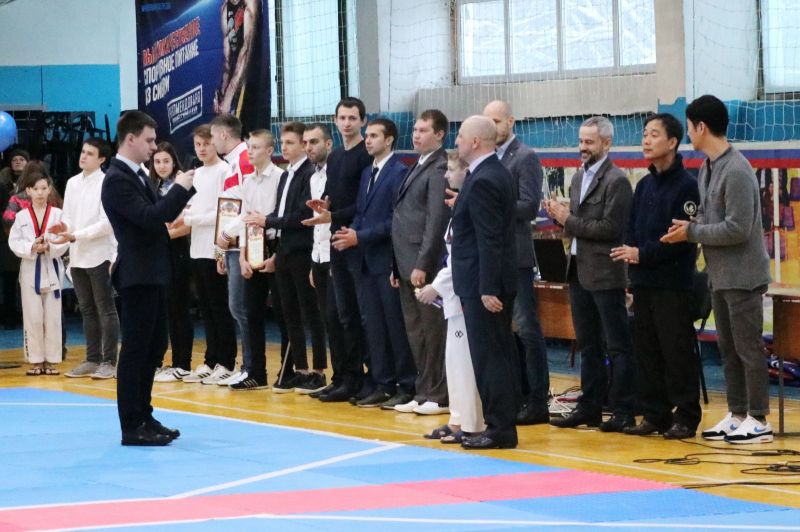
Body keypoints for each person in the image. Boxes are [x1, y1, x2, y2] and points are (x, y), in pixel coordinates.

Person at [662, 94, 773, 444]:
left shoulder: (737, 169)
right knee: (728, 348)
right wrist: (690, 225)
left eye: (689, 127)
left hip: (743, 276)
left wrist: (692, 232)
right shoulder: (708, 167)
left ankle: (759, 418)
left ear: (701, 127)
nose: (688, 134)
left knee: (748, 349)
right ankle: (737, 413)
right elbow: (710, 217)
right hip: (719, 275)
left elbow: (738, 228)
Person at [101, 110, 195, 446]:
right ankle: (132, 424)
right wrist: (180, 190)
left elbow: (156, 218)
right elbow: (151, 218)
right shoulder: (117, 179)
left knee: (154, 347)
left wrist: (177, 196)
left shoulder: (137, 175)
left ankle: (144, 414)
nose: (154, 147)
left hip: (151, 271)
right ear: (130, 139)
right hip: (138, 274)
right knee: (136, 350)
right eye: (149, 140)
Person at [611, 113, 701, 440]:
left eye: (654, 134)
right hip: (644, 282)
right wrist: (632, 265)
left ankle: (686, 416)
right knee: (646, 351)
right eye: (644, 134)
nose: (646, 140)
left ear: (673, 142)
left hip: (673, 284)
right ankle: (655, 414)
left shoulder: (687, 185)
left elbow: (679, 240)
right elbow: (631, 230)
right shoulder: (645, 184)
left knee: (676, 352)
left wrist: (642, 254)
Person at [546, 116, 635, 433]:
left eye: (589, 142)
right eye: (581, 141)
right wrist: (558, 216)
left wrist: (567, 219)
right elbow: (578, 224)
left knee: (616, 345)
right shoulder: (578, 177)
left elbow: (610, 229)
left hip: (606, 273)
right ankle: (590, 407)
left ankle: (623, 409)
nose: (582, 147)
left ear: (607, 143)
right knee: (587, 344)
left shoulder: (617, 181)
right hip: (578, 270)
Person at [332, 118, 416, 408]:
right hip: (365, 260)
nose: (368, 140)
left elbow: (395, 220)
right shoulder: (368, 172)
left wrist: (361, 236)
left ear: (389, 139)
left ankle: (406, 383)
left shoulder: (399, 172)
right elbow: (361, 212)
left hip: (386, 260)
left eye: (374, 136)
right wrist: (350, 233)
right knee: (374, 326)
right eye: (367, 136)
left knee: (394, 326)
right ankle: (382, 382)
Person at [451, 115, 518, 450]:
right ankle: (499, 423)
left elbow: (489, 238)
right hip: (483, 280)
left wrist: (487, 287)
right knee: (494, 354)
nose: (457, 141)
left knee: (490, 356)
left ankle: (500, 428)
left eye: (461, 136)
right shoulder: (489, 173)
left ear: (475, 141)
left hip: (484, 284)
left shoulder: (485, 179)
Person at [245, 121, 327, 393]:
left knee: (310, 312)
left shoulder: (308, 174)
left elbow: (302, 216)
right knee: (289, 312)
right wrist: (274, 244)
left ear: (303, 145)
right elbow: (281, 215)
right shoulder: (287, 174)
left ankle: (318, 370)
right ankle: (299, 369)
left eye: (291, 142)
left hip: (303, 251)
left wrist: (268, 221)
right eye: (284, 142)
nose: (285, 147)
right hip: (285, 250)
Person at [483, 99, 550, 425]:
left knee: (526, 328)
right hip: (490, 255)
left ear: (510, 121)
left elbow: (528, 205)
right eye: (487, 121)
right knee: (501, 330)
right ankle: (514, 393)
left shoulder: (524, 157)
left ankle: (537, 399)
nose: (492, 126)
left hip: (516, 255)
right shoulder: (485, 157)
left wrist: (488, 205)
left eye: (497, 121)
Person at [303, 97, 372, 403]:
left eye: (352, 118)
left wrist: (334, 215)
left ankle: (359, 378)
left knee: (356, 316)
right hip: (335, 243)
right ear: (335, 120)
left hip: (355, 242)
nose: (347, 123)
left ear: (362, 121)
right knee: (338, 316)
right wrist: (325, 205)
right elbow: (334, 194)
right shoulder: (336, 157)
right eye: (342, 118)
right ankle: (342, 376)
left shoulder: (365, 155)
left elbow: (363, 203)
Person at [417, 150, 485, 444]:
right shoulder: (457, 208)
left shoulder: (468, 208)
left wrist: (436, 286)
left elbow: (461, 258)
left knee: (465, 364)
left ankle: (471, 423)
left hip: (464, 294)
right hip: (455, 298)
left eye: (451, 169)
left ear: (465, 172)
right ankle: (457, 419)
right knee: (454, 362)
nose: (446, 175)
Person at [163, 124, 237, 383]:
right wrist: (181, 216)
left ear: (215, 143)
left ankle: (226, 361)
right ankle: (211, 359)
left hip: (216, 247)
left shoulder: (225, 171)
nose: (202, 149)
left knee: (220, 306)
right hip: (196, 249)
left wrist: (190, 219)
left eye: (206, 144)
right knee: (205, 307)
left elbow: (224, 211)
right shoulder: (196, 174)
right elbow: (191, 206)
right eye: (198, 145)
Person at [389, 109, 450, 415]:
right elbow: (401, 219)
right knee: (415, 331)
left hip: (424, 265)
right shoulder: (419, 164)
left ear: (439, 134)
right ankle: (423, 389)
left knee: (433, 330)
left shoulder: (440, 168)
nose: (416, 135)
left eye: (423, 130)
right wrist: (395, 265)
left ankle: (439, 394)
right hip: (405, 262)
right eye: (415, 130)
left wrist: (423, 264)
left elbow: (436, 222)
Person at [54, 139, 120, 380]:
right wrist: (64, 228)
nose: (83, 156)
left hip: (100, 254)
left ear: (102, 159)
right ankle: (92, 359)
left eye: (90, 153)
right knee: (87, 309)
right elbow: (69, 216)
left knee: (105, 309)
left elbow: (106, 223)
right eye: (83, 152)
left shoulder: (107, 182)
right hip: (78, 255)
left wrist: (75, 235)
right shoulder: (72, 183)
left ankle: (109, 361)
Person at [232, 128, 284, 390]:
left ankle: (289, 370)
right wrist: (242, 257)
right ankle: (255, 371)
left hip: (275, 245)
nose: (250, 152)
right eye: (249, 147)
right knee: (251, 312)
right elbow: (245, 220)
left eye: (255, 147)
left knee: (283, 313)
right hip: (253, 245)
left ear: (269, 150)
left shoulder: (280, 178)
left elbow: (282, 220)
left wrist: (276, 255)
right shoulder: (248, 181)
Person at [205, 113, 255, 384]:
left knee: (241, 308)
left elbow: (250, 205)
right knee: (236, 308)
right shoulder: (233, 163)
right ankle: (247, 366)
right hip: (232, 245)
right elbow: (228, 207)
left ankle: (250, 367)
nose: (211, 142)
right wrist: (220, 249)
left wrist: (227, 234)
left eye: (213, 136)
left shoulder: (245, 160)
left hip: (245, 244)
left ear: (224, 134)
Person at [8, 167, 68, 376]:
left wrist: (50, 246)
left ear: (50, 189)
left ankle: (51, 360)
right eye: (36, 189)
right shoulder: (21, 216)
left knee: (52, 317)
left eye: (44, 188)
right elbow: (14, 242)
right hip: (30, 268)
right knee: (33, 316)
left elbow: (65, 240)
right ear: (28, 191)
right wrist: (32, 247)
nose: (40, 193)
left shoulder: (59, 214)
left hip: (52, 267)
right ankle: (35, 361)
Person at [304, 123, 346, 396]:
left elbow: (336, 218)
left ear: (329, 144)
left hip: (335, 256)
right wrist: (314, 260)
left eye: (314, 142)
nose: (309, 147)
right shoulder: (313, 177)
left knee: (338, 318)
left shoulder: (337, 173)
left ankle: (347, 378)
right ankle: (337, 378)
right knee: (327, 320)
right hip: (318, 257)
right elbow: (317, 224)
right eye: (306, 142)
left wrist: (332, 260)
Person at [148, 142, 194, 379]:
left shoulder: (182, 185)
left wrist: (160, 233)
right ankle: (166, 360)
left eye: (166, 161)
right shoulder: (152, 186)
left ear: (174, 162)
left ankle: (182, 363)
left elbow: (186, 225)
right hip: (159, 254)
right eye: (157, 161)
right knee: (164, 309)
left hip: (179, 251)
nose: (162, 166)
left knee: (179, 308)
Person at [214, 0, 268, 133]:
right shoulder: (225, 9)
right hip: (236, 72)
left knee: (244, 129)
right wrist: (222, 93)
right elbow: (227, 59)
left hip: (251, 73)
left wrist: (228, 97)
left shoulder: (249, 7)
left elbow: (245, 52)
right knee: (224, 121)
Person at [1, 148, 29, 329]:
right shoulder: (2, 183)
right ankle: (10, 317)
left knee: (28, 279)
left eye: (21, 159)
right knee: (9, 278)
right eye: (14, 160)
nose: (17, 161)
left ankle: (28, 317)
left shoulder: (36, 183)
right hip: (7, 236)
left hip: (30, 236)